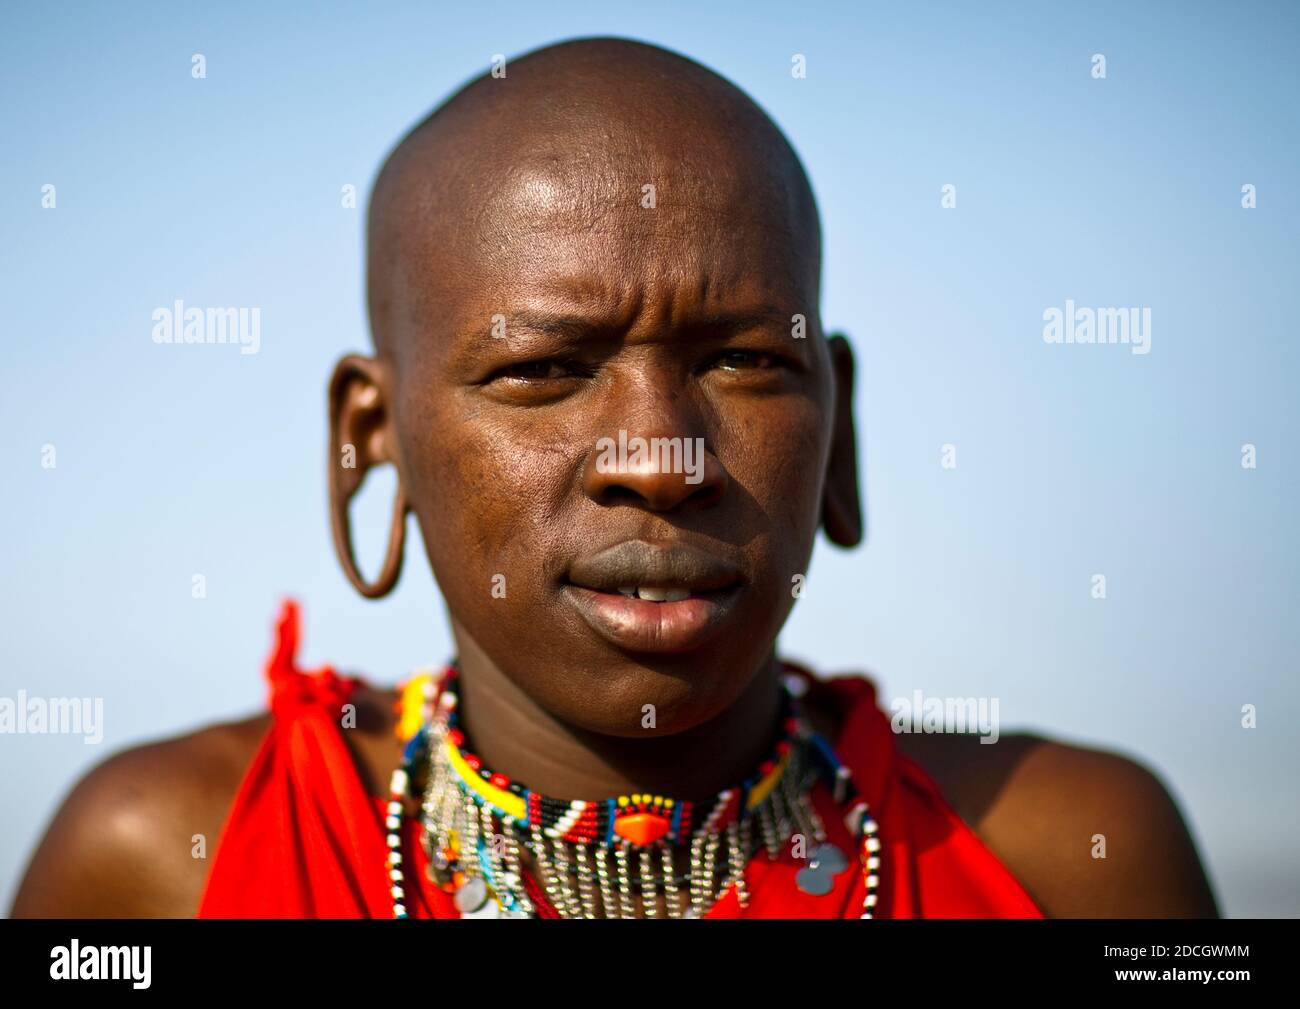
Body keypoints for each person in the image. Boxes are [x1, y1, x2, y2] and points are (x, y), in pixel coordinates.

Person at [11, 37, 1218, 919]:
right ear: (370, 436)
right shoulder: (171, 859)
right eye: (545, 368)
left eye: (746, 360)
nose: (661, 458)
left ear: (836, 428)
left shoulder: (1067, 851)